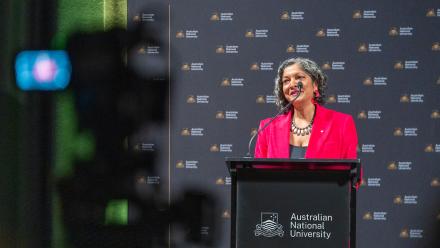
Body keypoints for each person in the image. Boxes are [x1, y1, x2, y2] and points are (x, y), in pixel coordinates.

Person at [254, 57, 358, 159]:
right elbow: (258, 174)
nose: (292, 84)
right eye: (286, 81)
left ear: (315, 85)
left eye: (299, 77)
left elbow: (353, 172)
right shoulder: (267, 128)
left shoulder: (341, 124)